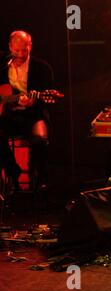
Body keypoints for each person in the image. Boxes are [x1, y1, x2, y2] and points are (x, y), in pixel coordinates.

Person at [0, 30, 54, 190]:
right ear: (10, 47)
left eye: (24, 50)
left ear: (30, 46)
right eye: (16, 51)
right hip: (9, 116)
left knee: (40, 138)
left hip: (33, 115)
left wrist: (33, 103)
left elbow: (47, 101)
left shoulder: (42, 68)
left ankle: (40, 181)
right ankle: (13, 172)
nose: (20, 54)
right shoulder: (2, 67)